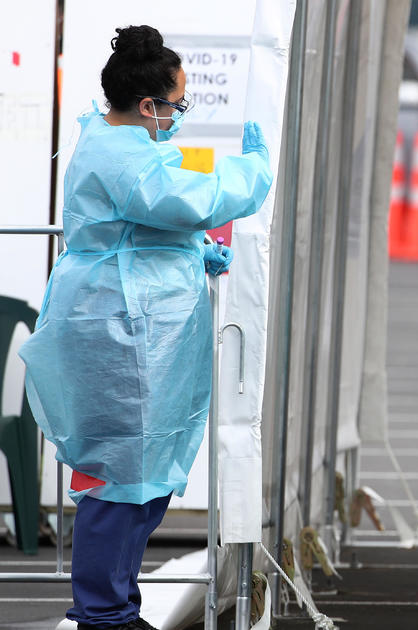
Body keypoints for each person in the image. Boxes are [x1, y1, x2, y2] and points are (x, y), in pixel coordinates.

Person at [18, 25, 272, 630]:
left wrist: (187, 251)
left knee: (140, 483)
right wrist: (252, 172)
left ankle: (117, 608)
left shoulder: (122, 146)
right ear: (149, 104)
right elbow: (188, 200)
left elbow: (151, 222)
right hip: (118, 333)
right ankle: (104, 614)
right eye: (177, 104)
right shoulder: (120, 153)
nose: (179, 115)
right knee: (118, 482)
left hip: (132, 327)